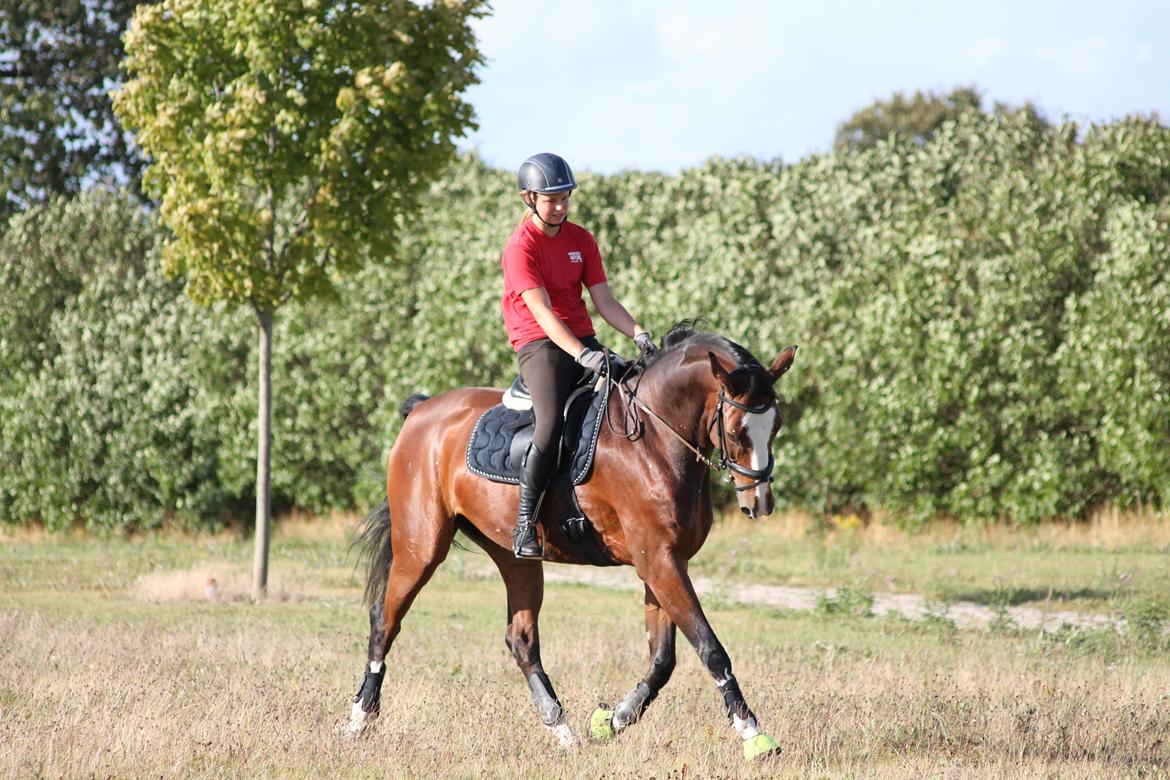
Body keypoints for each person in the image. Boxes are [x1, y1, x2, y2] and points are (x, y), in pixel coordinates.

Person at [501, 152, 656, 559]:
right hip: (539, 343)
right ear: (529, 198)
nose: (560, 206)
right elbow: (543, 313)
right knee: (550, 424)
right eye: (551, 199)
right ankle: (524, 524)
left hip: (582, 338)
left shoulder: (581, 240)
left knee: (631, 398)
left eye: (565, 198)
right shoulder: (520, 247)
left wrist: (638, 332)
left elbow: (604, 300)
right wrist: (583, 355)